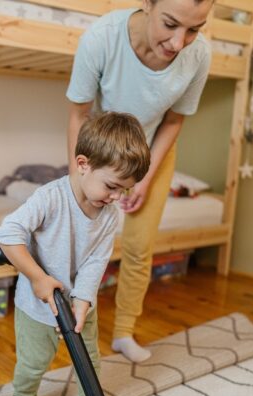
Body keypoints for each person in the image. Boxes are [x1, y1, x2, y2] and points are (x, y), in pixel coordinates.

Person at [66, 0, 214, 362]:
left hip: (153, 155)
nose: (179, 43)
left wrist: (145, 177)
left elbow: (174, 121)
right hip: (102, 153)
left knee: (138, 245)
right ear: (148, 4)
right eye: (170, 24)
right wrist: (78, 178)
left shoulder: (199, 56)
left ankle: (124, 333)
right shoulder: (101, 38)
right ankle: (67, 328)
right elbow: (78, 115)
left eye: (193, 30)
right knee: (77, 242)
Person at [0, 112, 150, 396]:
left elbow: (95, 261)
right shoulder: (49, 198)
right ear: (83, 164)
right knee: (33, 364)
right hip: (37, 305)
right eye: (112, 186)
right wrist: (39, 279)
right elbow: (7, 235)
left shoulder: (108, 215)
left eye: (124, 189)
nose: (117, 197)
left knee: (88, 362)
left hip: (80, 303)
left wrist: (83, 300)